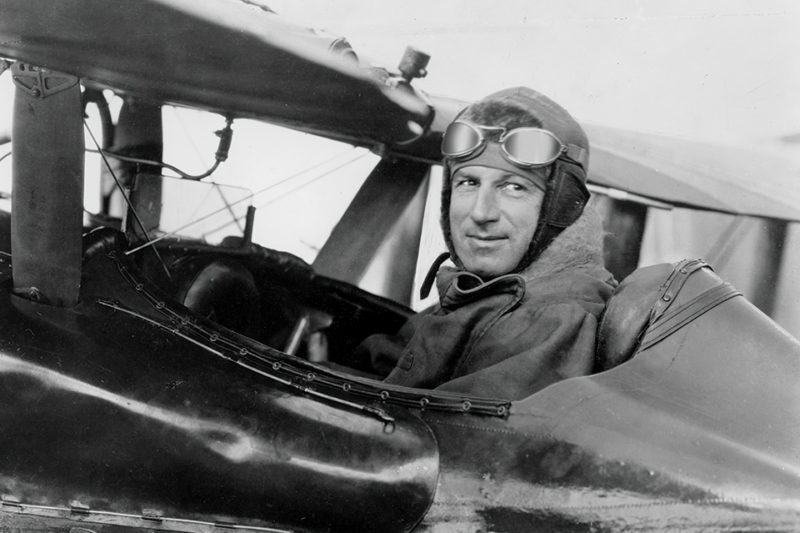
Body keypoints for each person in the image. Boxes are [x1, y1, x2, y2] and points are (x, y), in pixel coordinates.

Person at [360, 86, 617, 400]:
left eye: (514, 187)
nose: (481, 213)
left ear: (559, 206)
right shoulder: (489, 291)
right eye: (468, 182)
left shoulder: (550, 320)